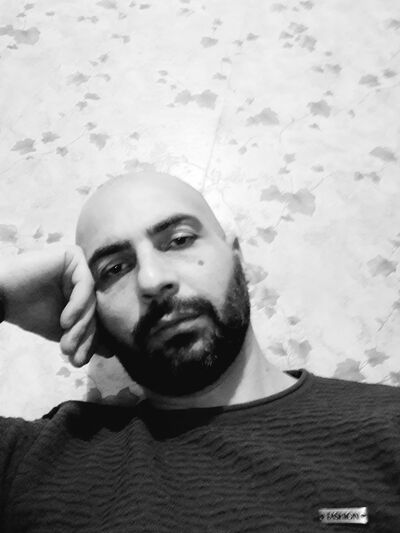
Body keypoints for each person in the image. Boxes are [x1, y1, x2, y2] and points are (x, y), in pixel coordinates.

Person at [0, 172, 399, 532]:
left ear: (237, 257)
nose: (152, 280)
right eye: (114, 269)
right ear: (92, 308)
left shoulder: (387, 425)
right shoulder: (41, 459)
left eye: (179, 241)